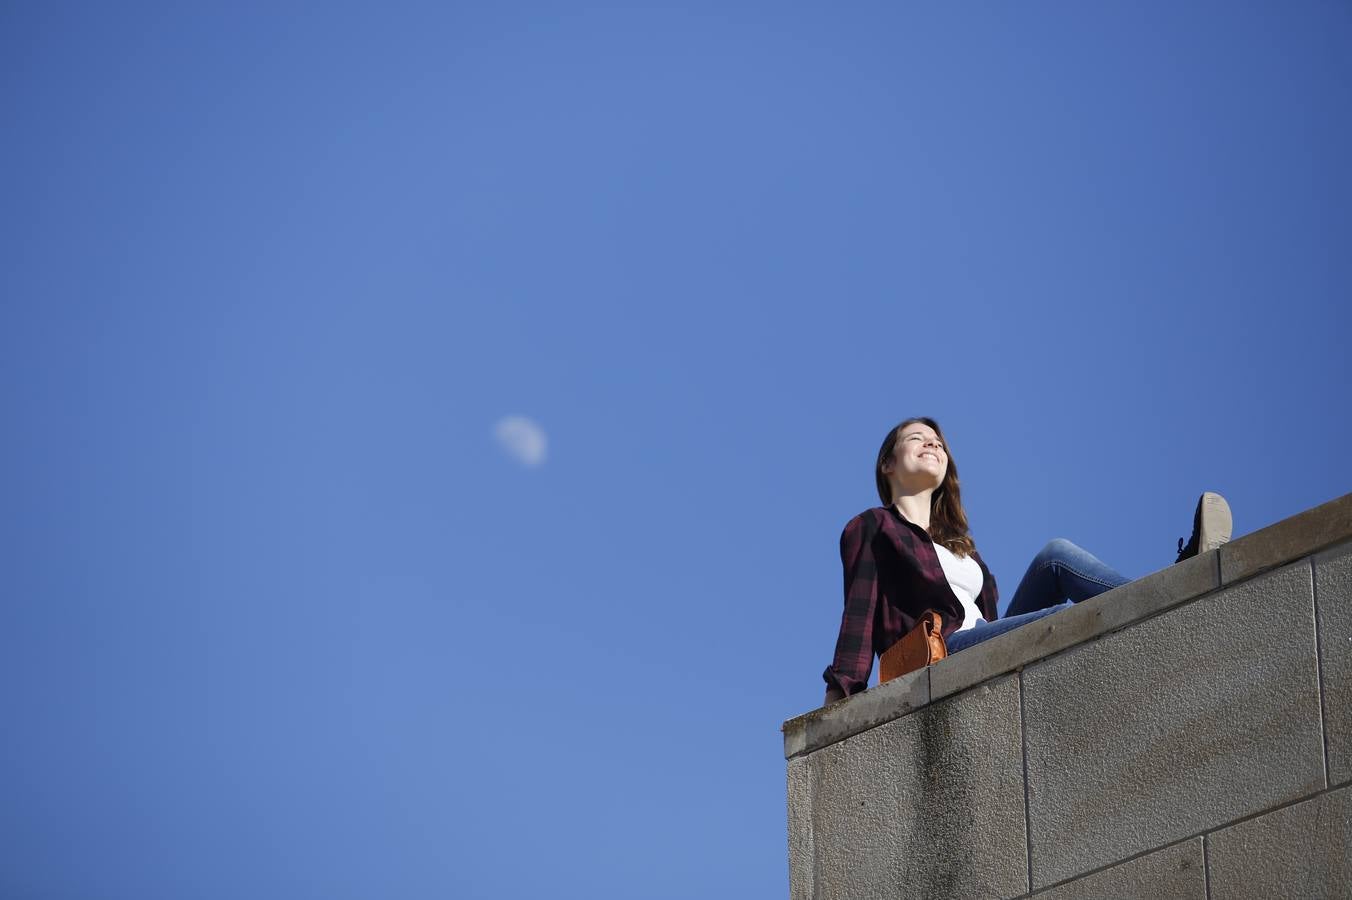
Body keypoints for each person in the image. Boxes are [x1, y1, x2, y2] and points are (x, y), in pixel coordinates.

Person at [822, 417, 1232, 706]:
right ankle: (1168, 596)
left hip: (978, 637)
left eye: (939, 442)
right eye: (917, 438)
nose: (933, 443)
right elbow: (859, 611)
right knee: (1057, 620)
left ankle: (1173, 587)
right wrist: (841, 692)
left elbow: (989, 620)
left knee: (1054, 556)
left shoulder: (960, 547)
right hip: (941, 651)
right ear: (888, 463)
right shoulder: (872, 526)